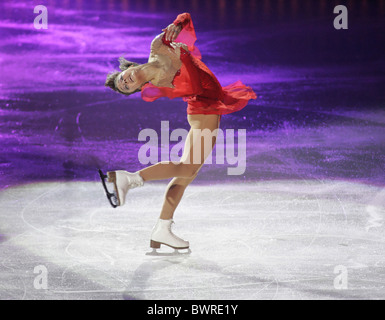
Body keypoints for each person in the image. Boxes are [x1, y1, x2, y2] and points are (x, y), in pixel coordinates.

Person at [104, 13, 257, 250]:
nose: (127, 81)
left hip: (209, 105)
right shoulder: (158, 84)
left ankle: (162, 229)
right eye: (126, 86)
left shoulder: (157, 45)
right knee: (186, 168)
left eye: (123, 77)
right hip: (203, 109)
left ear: (129, 67)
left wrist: (176, 25)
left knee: (186, 175)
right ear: (137, 88)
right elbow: (190, 84)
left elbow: (185, 18)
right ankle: (130, 179)